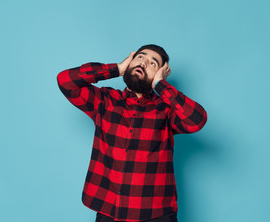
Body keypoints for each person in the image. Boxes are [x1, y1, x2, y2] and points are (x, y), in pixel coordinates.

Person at [56, 44, 207, 222]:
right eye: (141, 57)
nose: (144, 63)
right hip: (109, 210)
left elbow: (197, 120)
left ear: (160, 73)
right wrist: (117, 69)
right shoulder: (104, 100)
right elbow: (65, 80)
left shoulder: (166, 110)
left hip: (155, 213)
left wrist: (161, 85)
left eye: (153, 63)